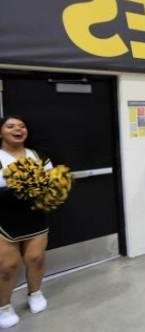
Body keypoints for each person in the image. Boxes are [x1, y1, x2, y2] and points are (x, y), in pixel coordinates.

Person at [0, 116, 51, 328]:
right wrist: (21, 189)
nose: (17, 129)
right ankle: (4, 307)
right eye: (10, 126)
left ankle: (35, 293)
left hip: (35, 217)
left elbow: (50, 183)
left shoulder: (38, 155)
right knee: (8, 267)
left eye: (22, 126)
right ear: (1, 132)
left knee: (36, 258)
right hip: (4, 220)